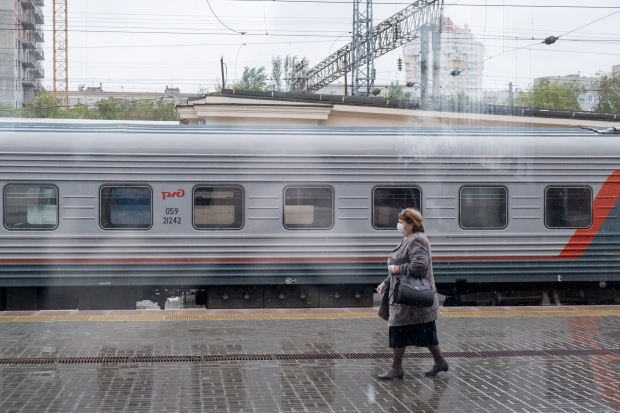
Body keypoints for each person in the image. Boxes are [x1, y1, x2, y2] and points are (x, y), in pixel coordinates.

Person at [376, 208, 448, 379]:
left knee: (398, 329)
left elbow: (418, 267)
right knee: (425, 331)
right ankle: (440, 362)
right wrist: (385, 282)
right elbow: (401, 264)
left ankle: (397, 368)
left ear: (411, 224)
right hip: (407, 296)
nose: (398, 224)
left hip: (412, 296)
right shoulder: (407, 239)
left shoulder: (418, 240)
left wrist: (395, 268)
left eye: (401, 221)